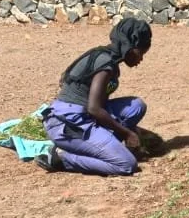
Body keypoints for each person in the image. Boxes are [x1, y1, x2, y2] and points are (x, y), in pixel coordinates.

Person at [39, 18, 153, 175]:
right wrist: (128, 133)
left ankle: (103, 144)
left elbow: (64, 79)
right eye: (140, 52)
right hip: (68, 125)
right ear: (129, 46)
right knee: (126, 164)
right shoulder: (106, 64)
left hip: (81, 114)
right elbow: (93, 108)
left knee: (136, 106)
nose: (141, 59)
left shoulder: (101, 54)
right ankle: (62, 158)